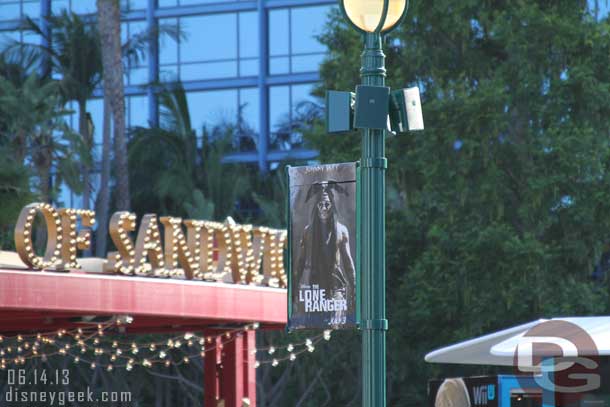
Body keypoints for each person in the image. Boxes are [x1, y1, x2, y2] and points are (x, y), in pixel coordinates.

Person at [295, 181, 356, 327]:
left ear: (332, 206)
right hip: (316, 290)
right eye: (320, 204)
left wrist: (354, 287)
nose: (323, 208)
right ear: (316, 206)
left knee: (336, 326)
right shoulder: (308, 231)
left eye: (327, 204)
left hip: (336, 287)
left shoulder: (341, 230)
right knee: (316, 327)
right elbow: (300, 262)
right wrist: (294, 288)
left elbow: (348, 263)